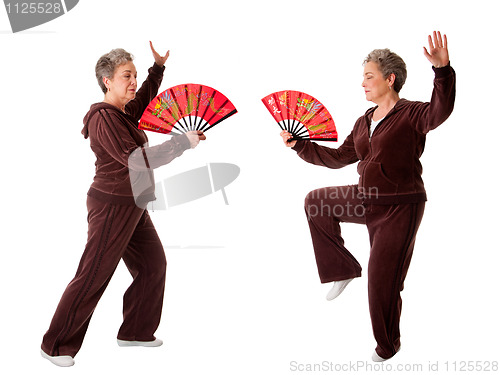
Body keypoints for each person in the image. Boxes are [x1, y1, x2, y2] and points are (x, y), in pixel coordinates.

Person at [280, 31, 455, 361]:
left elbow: (440, 111)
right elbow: (339, 158)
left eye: (369, 76)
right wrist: (300, 145)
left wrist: (442, 71)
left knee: (382, 283)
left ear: (389, 79)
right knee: (315, 201)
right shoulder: (363, 122)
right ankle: (343, 268)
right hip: (365, 196)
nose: (362, 83)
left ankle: (388, 346)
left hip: (399, 207)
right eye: (362, 77)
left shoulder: (413, 113)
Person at [41, 42, 206, 367]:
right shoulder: (105, 118)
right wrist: (181, 144)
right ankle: (55, 344)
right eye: (126, 76)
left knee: (152, 266)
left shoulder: (123, 113)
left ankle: (135, 331)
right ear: (107, 81)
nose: (132, 81)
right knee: (93, 275)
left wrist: (157, 68)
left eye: (133, 74)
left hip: (134, 203)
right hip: (113, 206)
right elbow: (137, 160)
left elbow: (143, 99)